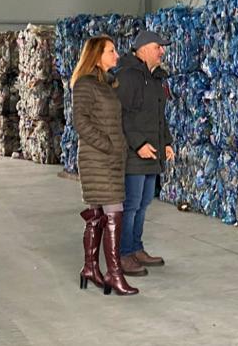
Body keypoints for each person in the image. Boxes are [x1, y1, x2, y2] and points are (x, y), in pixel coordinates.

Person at [71, 35, 138, 296]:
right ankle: (114, 273)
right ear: (96, 56)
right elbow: (81, 122)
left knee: (97, 214)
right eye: (111, 51)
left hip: (109, 158)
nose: (117, 55)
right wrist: (109, 145)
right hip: (97, 158)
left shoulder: (105, 84)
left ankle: (90, 268)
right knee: (113, 212)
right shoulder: (85, 84)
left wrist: (117, 148)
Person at [115, 30, 175, 276]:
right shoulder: (128, 76)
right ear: (142, 49)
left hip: (153, 152)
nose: (162, 51)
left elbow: (159, 116)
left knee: (144, 203)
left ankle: (136, 248)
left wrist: (166, 142)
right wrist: (138, 144)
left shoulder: (156, 79)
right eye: (157, 47)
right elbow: (122, 115)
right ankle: (123, 254)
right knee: (131, 205)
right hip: (134, 153)